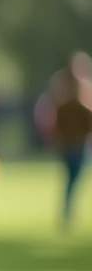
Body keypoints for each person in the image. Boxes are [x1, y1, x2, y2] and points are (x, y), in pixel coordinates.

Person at [38, 53, 92, 228]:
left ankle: (67, 212)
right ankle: (67, 213)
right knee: (72, 178)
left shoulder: (70, 97)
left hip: (76, 142)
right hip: (73, 144)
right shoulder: (69, 99)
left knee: (72, 179)